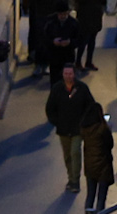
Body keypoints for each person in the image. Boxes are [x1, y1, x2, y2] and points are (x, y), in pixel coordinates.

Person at [45, 63, 97, 192]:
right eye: (65, 73)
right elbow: (50, 108)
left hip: (77, 129)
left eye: (70, 73)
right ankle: (71, 178)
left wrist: (85, 123)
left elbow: (91, 106)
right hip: (63, 129)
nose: (68, 76)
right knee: (67, 155)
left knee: (75, 152)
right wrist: (56, 122)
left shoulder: (82, 88)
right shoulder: (57, 88)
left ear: (74, 74)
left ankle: (75, 181)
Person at [81, 102, 116, 211]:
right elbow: (110, 144)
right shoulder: (103, 129)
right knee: (101, 197)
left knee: (90, 195)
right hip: (103, 166)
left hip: (90, 164)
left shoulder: (84, 129)